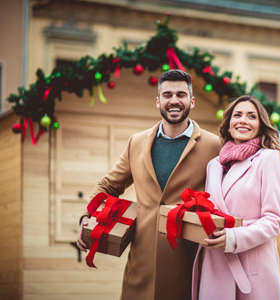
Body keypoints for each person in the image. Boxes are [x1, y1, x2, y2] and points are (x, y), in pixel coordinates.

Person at [76, 69, 220, 300]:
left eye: (181, 95)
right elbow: (108, 186)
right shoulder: (137, 142)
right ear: (158, 101)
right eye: (168, 95)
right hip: (142, 262)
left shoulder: (214, 145)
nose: (174, 101)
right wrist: (87, 216)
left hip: (190, 262)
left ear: (192, 101)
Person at [191, 95, 280, 300]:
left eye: (251, 116)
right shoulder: (214, 165)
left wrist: (234, 237)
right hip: (216, 264)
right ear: (228, 125)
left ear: (260, 125)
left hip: (252, 267)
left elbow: (275, 220)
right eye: (237, 115)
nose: (243, 120)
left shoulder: (270, 159)